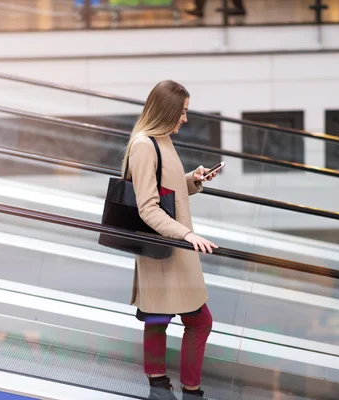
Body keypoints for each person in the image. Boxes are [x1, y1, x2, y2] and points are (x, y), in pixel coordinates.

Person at [122, 80, 219, 400]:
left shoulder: (160, 140)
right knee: (189, 319)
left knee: (160, 316)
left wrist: (194, 179)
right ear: (167, 110)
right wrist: (187, 235)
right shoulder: (144, 145)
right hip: (167, 246)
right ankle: (179, 388)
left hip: (170, 245)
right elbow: (147, 207)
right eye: (182, 112)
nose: (185, 119)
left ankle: (163, 382)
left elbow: (168, 192)